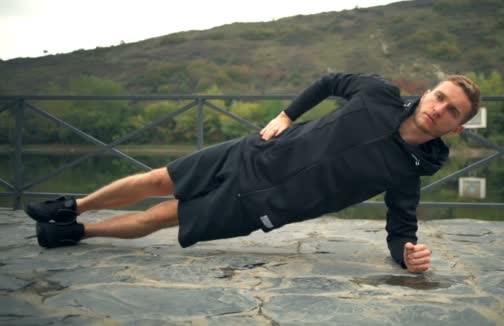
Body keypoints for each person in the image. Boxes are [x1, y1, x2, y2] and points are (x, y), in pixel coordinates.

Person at [26, 73, 480, 273]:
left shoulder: (408, 171)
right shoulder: (378, 93)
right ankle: (73, 205)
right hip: (254, 152)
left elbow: (400, 229)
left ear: (456, 127)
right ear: (426, 94)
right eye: (438, 97)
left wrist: (407, 256)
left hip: (264, 203)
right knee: (159, 178)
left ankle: (78, 232)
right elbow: (328, 82)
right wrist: (285, 115)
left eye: (451, 111)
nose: (439, 109)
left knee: (169, 213)